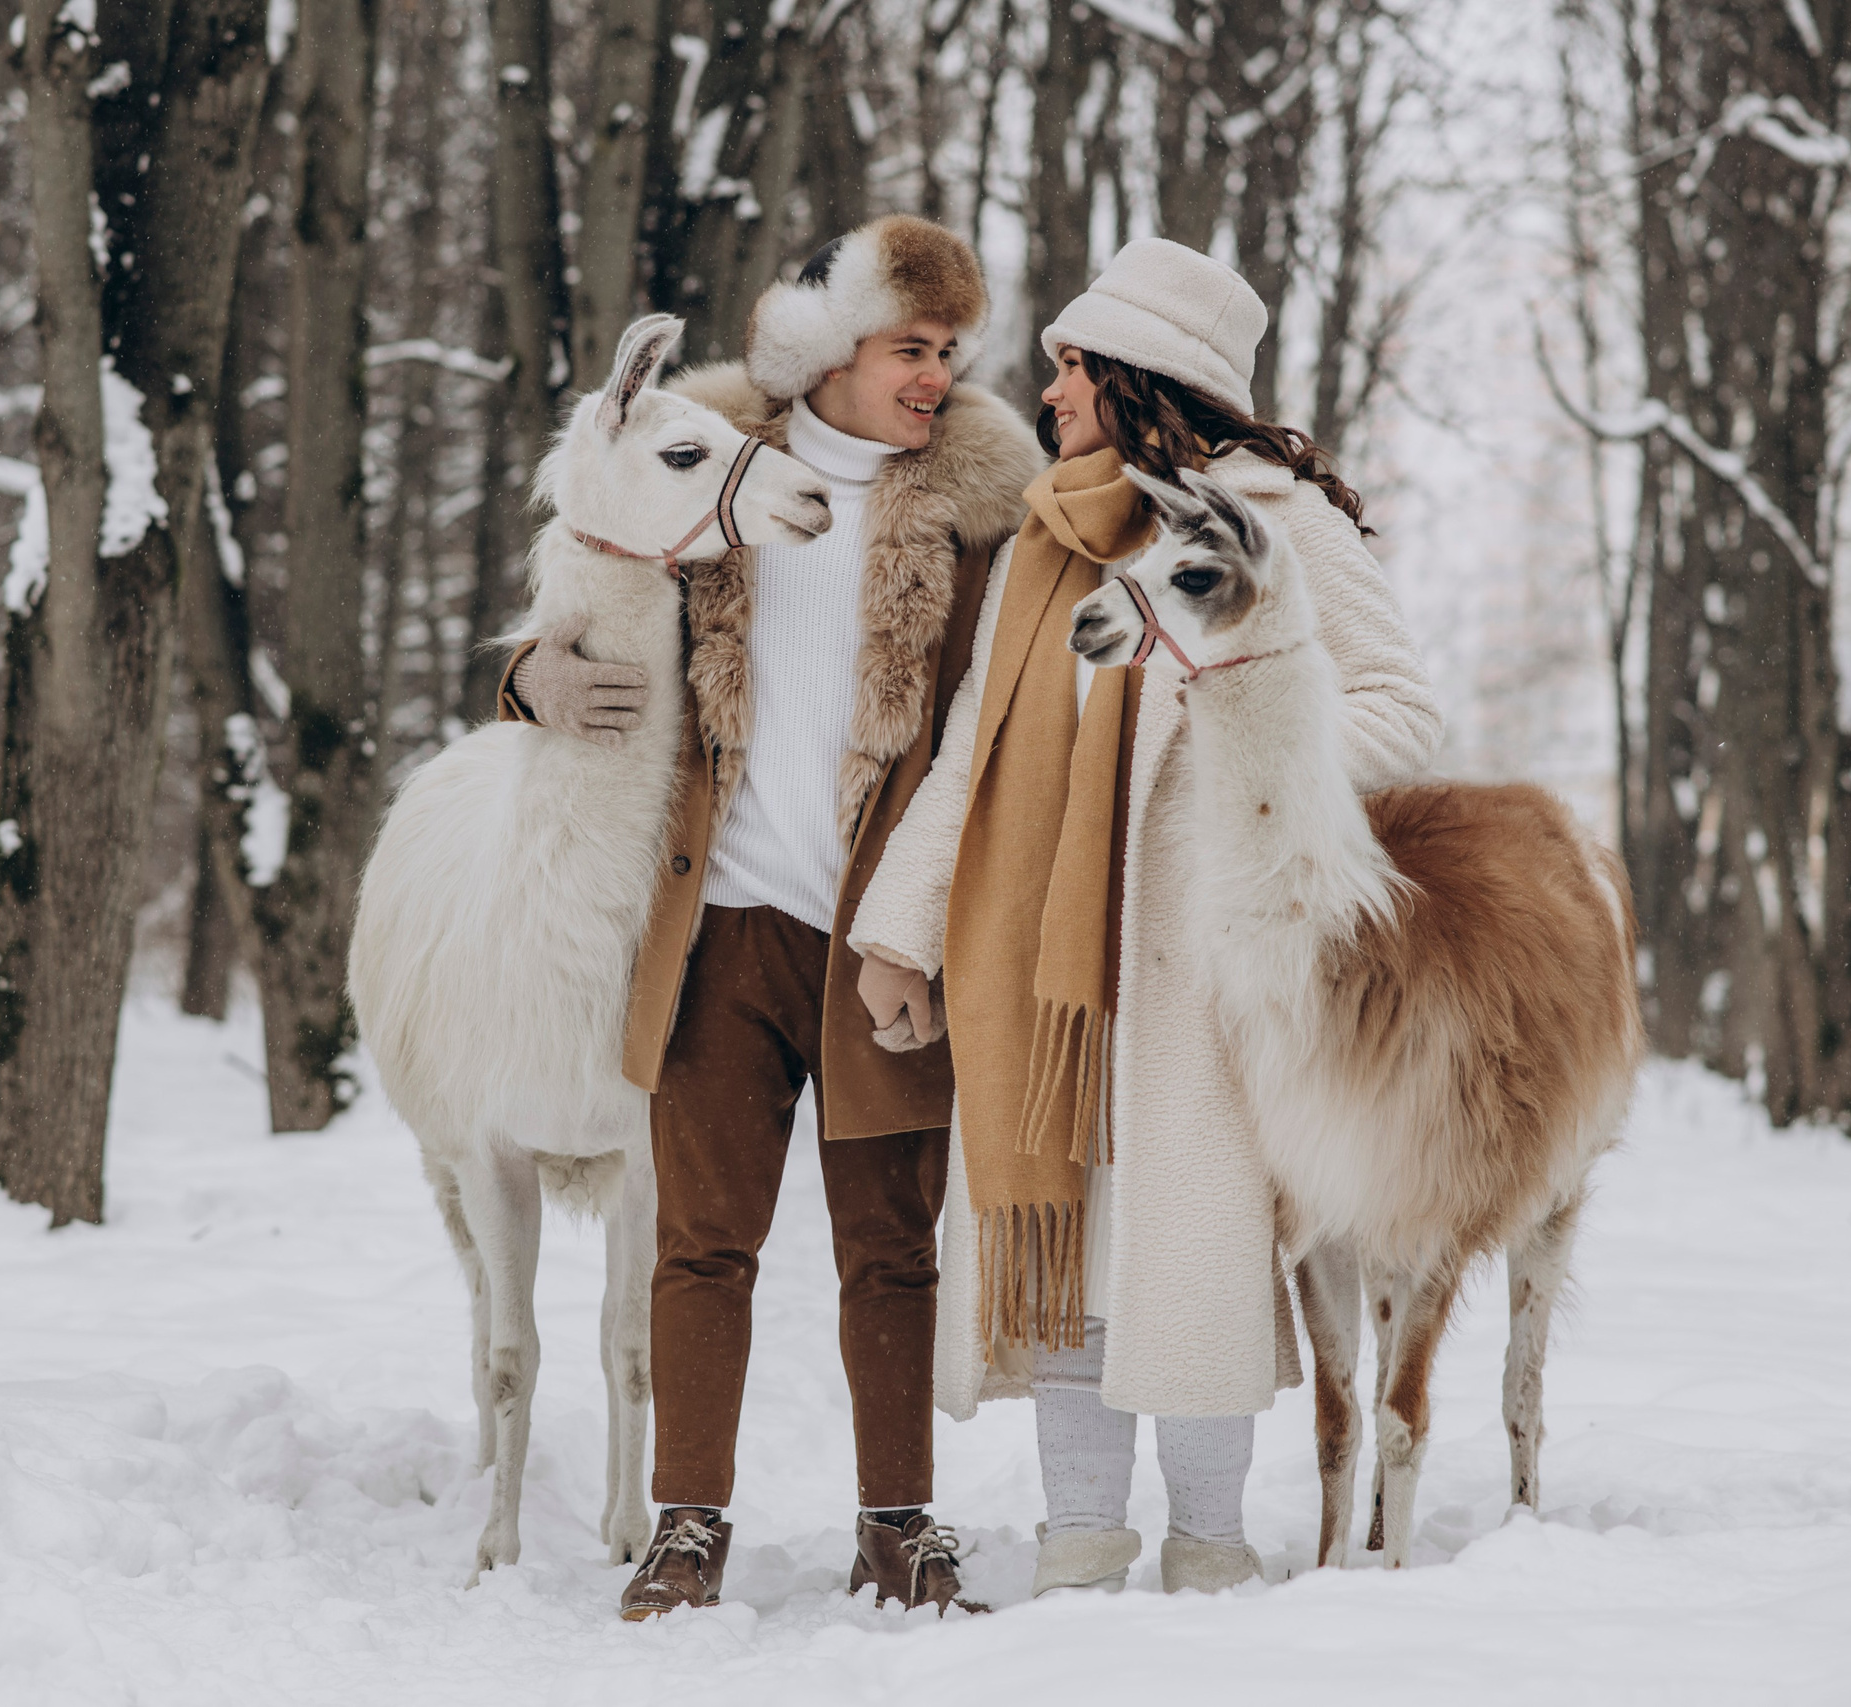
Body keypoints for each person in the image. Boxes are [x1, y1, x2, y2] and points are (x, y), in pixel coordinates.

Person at [848, 238, 1440, 1598]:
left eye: (1071, 364)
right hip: (1041, 970)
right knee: (1068, 1243)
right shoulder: (1047, 542)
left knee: (1196, 1241)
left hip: (1207, 959)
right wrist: (902, 930)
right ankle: (1079, 1543)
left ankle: (1213, 1550)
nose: (1049, 390)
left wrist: (1251, 764)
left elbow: (1402, 712)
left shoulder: (1275, 523)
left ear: (1139, 376)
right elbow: (969, 757)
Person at [497, 215, 1042, 1620]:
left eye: (948, 354)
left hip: (881, 942)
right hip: (723, 924)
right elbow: (590, 585)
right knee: (702, 1239)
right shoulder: (709, 471)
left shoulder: (979, 525)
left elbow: (996, 735)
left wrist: (919, 935)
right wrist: (526, 684)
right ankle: (688, 1526)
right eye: (908, 348)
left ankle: (898, 1526)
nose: (933, 376)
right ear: (833, 351)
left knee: (890, 1245)